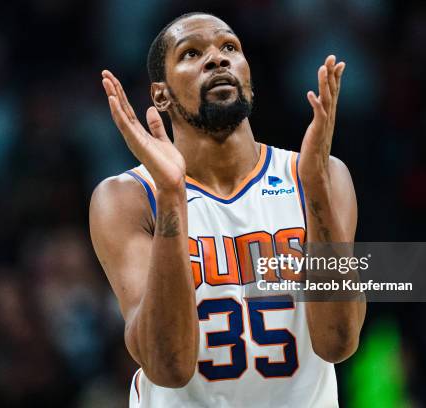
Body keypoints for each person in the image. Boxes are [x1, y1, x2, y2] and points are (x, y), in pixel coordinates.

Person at [89, 11, 366, 407]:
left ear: (248, 75)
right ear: (160, 96)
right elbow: (167, 365)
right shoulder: (126, 198)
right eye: (191, 53)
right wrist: (172, 198)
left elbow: (338, 342)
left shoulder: (321, 176)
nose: (217, 59)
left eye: (230, 48)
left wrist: (316, 187)